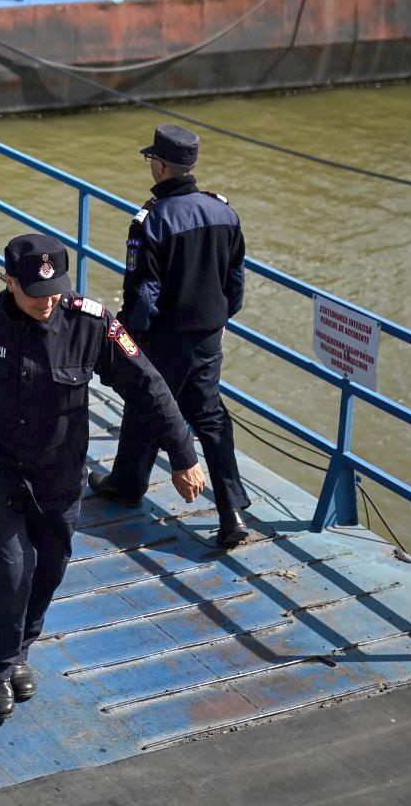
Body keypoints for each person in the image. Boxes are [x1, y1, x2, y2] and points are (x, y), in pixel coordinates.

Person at [0, 234, 206, 719]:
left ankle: (19, 652)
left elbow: (148, 385)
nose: (48, 300)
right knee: (10, 570)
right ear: (9, 281)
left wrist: (183, 453)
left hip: (60, 474)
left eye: (55, 289)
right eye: (35, 291)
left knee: (49, 568)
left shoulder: (90, 323)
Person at [91, 124, 252, 547]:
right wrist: (218, 317)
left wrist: (127, 332)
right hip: (207, 337)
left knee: (148, 403)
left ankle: (127, 486)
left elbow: (144, 290)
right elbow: (235, 280)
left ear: (160, 166)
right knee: (211, 417)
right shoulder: (224, 211)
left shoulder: (151, 219)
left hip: (163, 337)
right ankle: (231, 511)